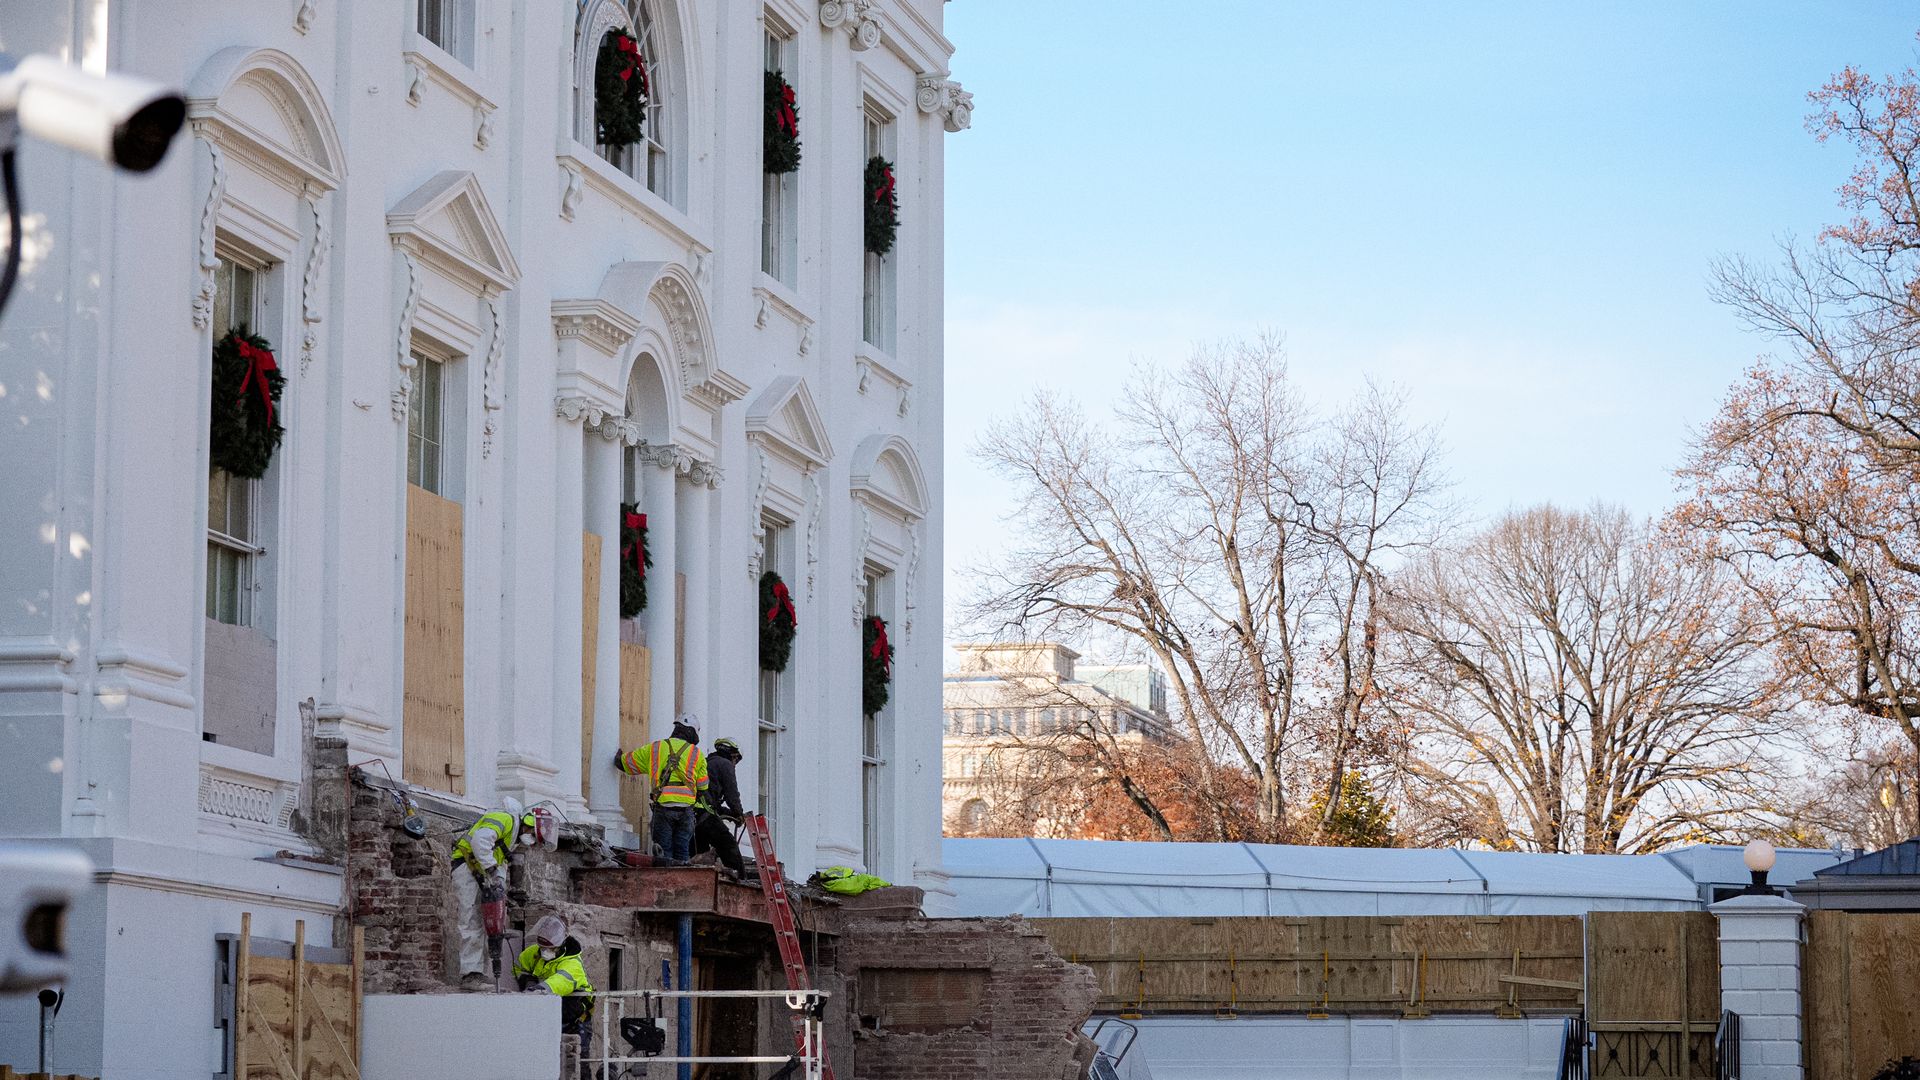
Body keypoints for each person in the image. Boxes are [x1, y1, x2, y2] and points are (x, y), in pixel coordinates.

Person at [452, 797, 536, 989]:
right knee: (471, 919)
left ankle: (479, 973)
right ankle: (470, 975)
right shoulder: (505, 819)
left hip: (478, 870)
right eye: (533, 835)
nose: (531, 841)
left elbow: (499, 862)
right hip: (466, 867)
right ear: (528, 825)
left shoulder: (511, 838)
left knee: (485, 923)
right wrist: (490, 869)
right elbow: (480, 842)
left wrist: (498, 883)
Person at [615, 714, 707, 864]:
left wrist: (618, 754)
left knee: (663, 853)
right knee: (682, 851)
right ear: (692, 733)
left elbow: (624, 764)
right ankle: (683, 882)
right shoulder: (697, 754)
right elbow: (703, 787)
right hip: (686, 812)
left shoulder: (655, 748)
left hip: (663, 809)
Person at [514, 914, 595, 1056]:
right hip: (550, 1016)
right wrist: (527, 980)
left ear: (561, 946)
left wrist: (538, 989)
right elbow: (518, 967)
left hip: (575, 1020)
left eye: (550, 949)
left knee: (579, 1062)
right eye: (542, 948)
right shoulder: (534, 953)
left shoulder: (573, 964)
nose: (545, 952)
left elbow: (559, 982)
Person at [691, 737, 747, 877]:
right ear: (732, 754)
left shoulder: (707, 762)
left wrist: (729, 813)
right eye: (736, 759)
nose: (735, 764)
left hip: (694, 817)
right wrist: (739, 813)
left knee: (701, 855)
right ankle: (739, 879)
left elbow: (711, 801)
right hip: (705, 817)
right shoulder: (725, 764)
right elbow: (732, 794)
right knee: (728, 846)